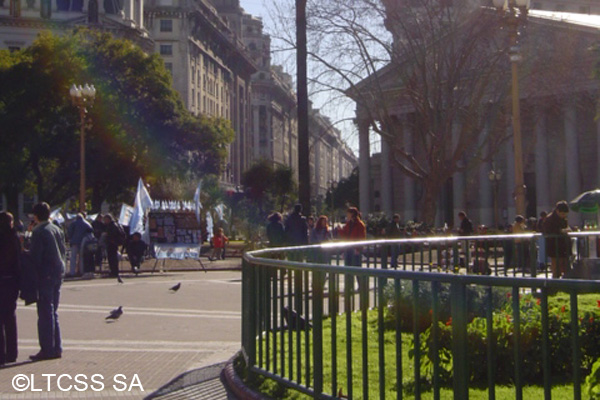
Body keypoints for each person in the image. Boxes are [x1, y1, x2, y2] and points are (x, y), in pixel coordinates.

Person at [29, 202, 66, 361]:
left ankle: (47, 348)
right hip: (58, 272)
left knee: (45, 312)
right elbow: (63, 250)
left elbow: (35, 256)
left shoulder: (39, 232)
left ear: (36, 216)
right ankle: (56, 347)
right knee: (53, 312)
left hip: (45, 273)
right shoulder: (57, 229)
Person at [0, 212, 21, 365]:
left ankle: (1, 354)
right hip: (12, 280)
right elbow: (18, 260)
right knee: (10, 317)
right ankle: (12, 353)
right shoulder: (14, 238)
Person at [543, 201, 571, 279]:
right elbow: (547, 230)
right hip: (555, 247)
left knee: (566, 267)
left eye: (565, 214)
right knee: (556, 269)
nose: (564, 216)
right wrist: (560, 231)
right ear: (557, 211)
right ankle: (555, 286)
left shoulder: (563, 219)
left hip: (563, 247)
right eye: (562, 214)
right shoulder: (550, 219)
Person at [103, 214, 125, 278]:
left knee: (112, 258)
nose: (105, 221)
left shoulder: (112, 226)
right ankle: (114, 271)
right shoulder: (115, 224)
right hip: (113, 243)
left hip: (112, 243)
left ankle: (114, 272)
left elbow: (113, 234)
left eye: (106, 219)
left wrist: (109, 238)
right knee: (112, 258)